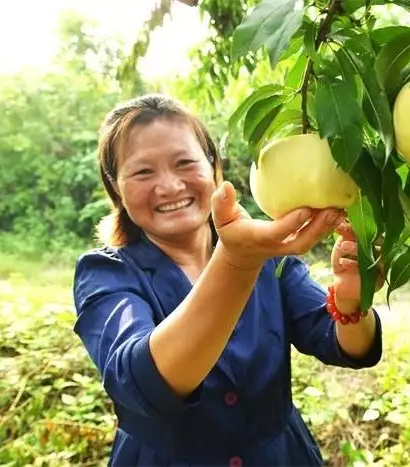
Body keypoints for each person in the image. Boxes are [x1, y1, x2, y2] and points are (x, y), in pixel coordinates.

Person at [72, 94, 384, 466]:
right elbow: (139, 380)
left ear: (213, 167)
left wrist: (350, 301)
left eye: (184, 162)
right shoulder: (107, 273)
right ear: (116, 187)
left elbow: (342, 344)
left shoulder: (270, 260)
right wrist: (237, 261)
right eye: (143, 172)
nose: (169, 186)